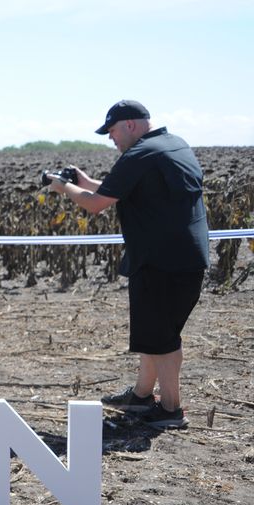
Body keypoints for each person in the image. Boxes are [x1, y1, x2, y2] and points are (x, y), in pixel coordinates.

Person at [47, 100, 209, 429]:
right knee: (157, 334)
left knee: (163, 340)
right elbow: (118, 191)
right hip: (185, 258)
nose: (111, 138)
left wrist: (63, 186)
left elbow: (95, 205)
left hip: (159, 261)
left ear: (130, 125)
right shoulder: (173, 145)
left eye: (112, 131)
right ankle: (141, 396)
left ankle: (170, 411)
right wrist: (86, 180)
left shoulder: (140, 154)